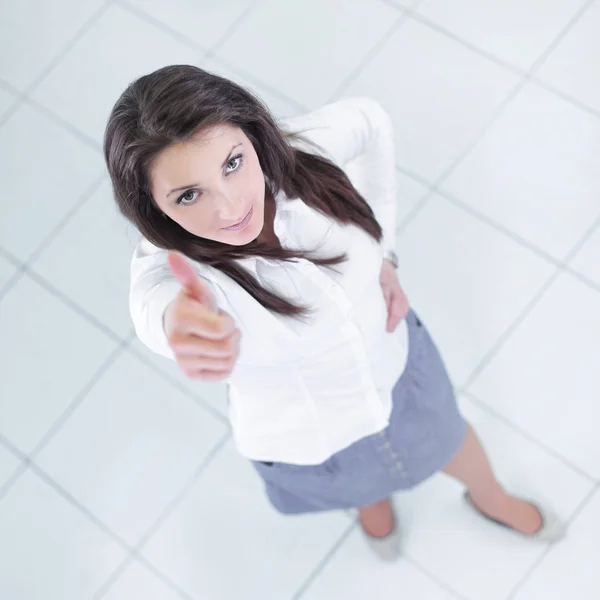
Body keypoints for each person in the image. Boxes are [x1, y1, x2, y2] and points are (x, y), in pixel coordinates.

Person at [104, 64, 564, 560]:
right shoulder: (172, 270)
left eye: (233, 163)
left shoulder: (302, 157)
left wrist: (384, 252)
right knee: (360, 483)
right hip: (312, 434)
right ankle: (371, 502)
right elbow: (154, 305)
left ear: (252, 137)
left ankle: (490, 497)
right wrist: (179, 324)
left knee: (452, 440)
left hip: (396, 366)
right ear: (152, 207)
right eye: (189, 195)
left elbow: (370, 122)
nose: (230, 206)